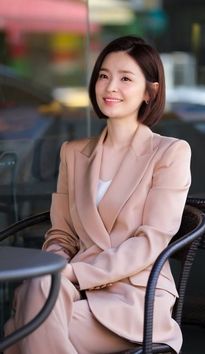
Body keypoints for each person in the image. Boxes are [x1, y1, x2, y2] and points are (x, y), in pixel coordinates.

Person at [4, 35, 191, 354]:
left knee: (23, 326)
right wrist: (59, 268)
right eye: (103, 75)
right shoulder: (73, 153)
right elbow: (61, 233)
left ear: (151, 91)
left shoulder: (169, 153)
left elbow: (151, 241)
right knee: (41, 290)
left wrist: (76, 272)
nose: (110, 86)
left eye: (125, 78)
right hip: (73, 289)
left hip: (134, 298)